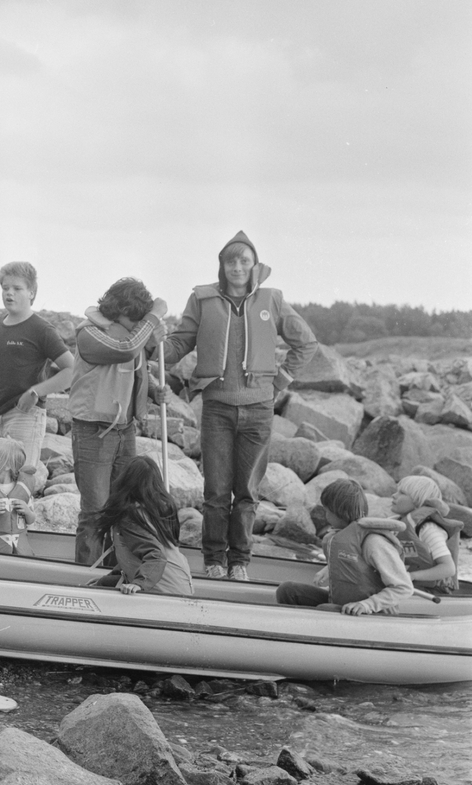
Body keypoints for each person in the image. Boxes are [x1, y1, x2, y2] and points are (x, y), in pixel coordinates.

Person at [162, 231, 317, 581]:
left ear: (254, 265)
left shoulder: (272, 299)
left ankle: (240, 563)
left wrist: (281, 380)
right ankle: (214, 559)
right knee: (216, 490)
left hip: (259, 410)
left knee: (247, 492)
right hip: (216, 407)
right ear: (222, 265)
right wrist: (152, 348)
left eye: (244, 261)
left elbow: (306, 342)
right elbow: (181, 342)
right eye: (231, 260)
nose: (237, 267)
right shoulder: (201, 299)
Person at [67, 278, 169, 565]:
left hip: (125, 430)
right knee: (96, 511)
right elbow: (125, 349)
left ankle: (117, 570)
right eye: (134, 318)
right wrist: (152, 317)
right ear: (117, 311)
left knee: (124, 507)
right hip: (93, 432)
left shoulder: (128, 335)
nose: (137, 325)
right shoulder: (90, 334)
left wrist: (152, 390)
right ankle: (86, 576)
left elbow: (133, 366)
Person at [0, 262, 76, 505]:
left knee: (20, 479)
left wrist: (36, 391)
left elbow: (71, 369)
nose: (9, 293)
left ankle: (17, 533)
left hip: (25, 415)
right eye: (5, 288)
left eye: (17, 288)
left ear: (32, 293)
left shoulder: (41, 329)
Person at [275, 479, 413, 614]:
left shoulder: (374, 543)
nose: (325, 515)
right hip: (342, 603)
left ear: (339, 512)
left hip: (371, 612)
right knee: (288, 590)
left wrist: (367, 605)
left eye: (327, 511)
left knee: (325, 609)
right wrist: (328, 568)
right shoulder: (341, 536)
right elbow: (353, 563)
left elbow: (403, 587)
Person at [93, 457, 194, 596]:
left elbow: (156, 555)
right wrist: (109, 578)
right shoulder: (161, 510)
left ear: (126, 481)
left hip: (162, 590)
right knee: (102, 584)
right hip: (183, 586)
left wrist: (139, 584)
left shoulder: (130, 516)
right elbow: (133, 556)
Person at [391, 475, 459, 593]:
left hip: (429, 592)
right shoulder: (395, 523)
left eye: (401, 493)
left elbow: (448, 568)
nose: (394, 495)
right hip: (403, 586)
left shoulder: (428, 529)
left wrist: (412, 576)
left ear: (418, 501)